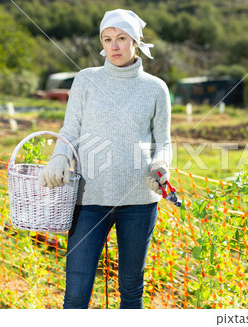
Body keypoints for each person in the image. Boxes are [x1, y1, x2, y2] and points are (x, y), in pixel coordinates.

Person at [38, 9, 172, 309]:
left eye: (122, 38)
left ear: (135, 41)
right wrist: (60, 156)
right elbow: (70, 129)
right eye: (107, 39)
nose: (114, 46)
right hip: (89, 200)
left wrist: (161, 164)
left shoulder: (155, 88)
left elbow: (163, 141)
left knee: (131, 289)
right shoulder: (86, 80)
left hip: (139, 202)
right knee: (76, 289)